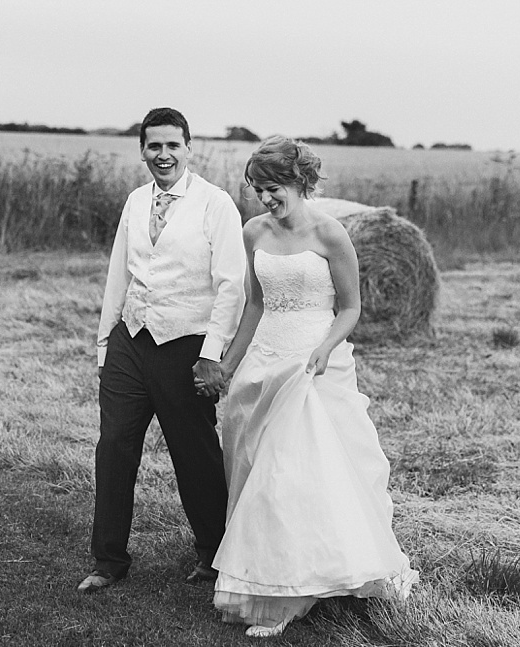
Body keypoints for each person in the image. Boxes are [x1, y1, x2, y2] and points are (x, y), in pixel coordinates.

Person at [202, 136, 418, 637]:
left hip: (313, 362)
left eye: (273, 188)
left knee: (291, 472)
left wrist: (325, 347)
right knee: (254, 464)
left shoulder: (331, 234)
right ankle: (268, 571)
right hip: (265, 359)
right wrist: (227, 364)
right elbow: (254, 306)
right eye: (258, 189)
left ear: (300, 182)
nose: (266, 199)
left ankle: (289, 594)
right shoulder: (253, 231)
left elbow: (350, 306)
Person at [78, 107, 246, 593]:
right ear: (143, 151)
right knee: (113, 448)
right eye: (155, 146)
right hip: (131, 342)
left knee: (193, 454)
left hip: (187, 346)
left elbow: (232, 287)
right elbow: (118, 276)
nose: (164, 154)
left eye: (173, 145)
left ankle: (213, 556)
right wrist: (106, 345)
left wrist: (212, 354)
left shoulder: (216, 205)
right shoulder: (135, 202)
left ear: (189, 149)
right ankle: (108, 561)